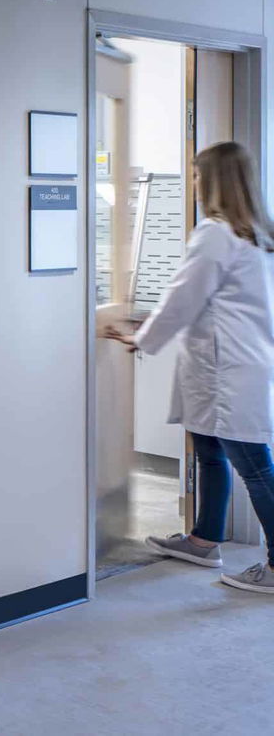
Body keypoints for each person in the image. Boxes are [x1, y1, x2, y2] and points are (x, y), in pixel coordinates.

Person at [105, 141, 274, 594]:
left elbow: (183, 300)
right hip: (236, 361)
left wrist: (140, 337)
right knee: (209, 451)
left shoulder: (216, 234)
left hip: (228, 370)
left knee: (254, 467)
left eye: (198, 176)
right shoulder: (256, 234)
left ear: (214, 181)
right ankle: (203, 540)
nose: (194, 184)